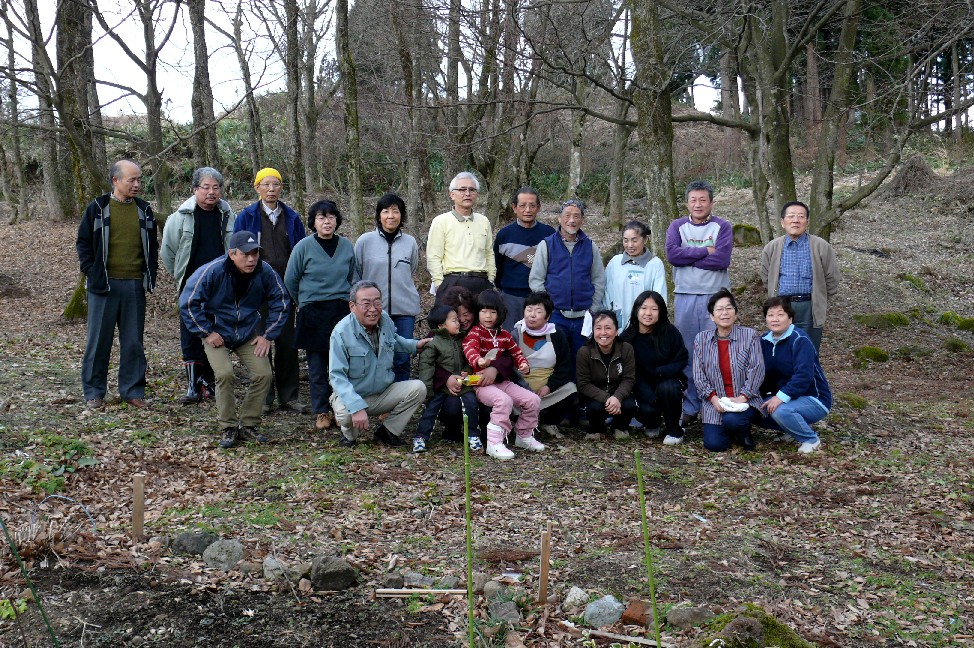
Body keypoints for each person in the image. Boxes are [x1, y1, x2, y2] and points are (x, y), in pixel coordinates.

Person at [179, 231, 290, 449]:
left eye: (255, 254)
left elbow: (282, 301)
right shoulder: (212, 271)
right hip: (217, 333)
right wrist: (207, 332)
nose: (251, 259)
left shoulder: (265, 271)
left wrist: (268, 336)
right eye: (245, 254)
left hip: (247, 332)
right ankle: (228, 426)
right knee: (224, 374)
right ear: (232, 254)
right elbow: (188, 302)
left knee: (263, 374)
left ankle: (249, 424)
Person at [76, 159, 158, 410]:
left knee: (133, 342)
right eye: (131, 180)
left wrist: (149, 275)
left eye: (139, 179)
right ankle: (94, 393)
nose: (137, 184)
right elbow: (83, 243)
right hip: (104, 286)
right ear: (115, 181)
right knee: (98, 341)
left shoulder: (144, 210)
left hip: (134, 285)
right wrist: (92, 272)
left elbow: (151, 246)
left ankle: (132, 391)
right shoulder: (98, 208)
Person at [233, 167, 307, 414]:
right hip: (256, 287)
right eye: (266, 185)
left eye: (276, 185)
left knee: (287, 342)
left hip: (285, 288)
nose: (271, 189)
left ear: (281, 188)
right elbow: (237, 251)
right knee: (259, 341)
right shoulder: (247, 216)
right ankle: (264, 397)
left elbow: (301, 251)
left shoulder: (293, 217)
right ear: (257, 188)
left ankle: (289, 395)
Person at [161, 166, 235, 404]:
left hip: (221, 285)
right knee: (191, 332)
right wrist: (182, 277)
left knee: (216, 331)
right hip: (191, 286)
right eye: (206, 187)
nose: (211, 192)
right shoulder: (179, 217)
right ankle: (194, 385)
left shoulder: (228, 215)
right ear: (195, 190)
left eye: (216, 188)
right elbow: (168, 252)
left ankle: (210, 382)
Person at [665, 180, 734, 426]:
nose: (698, 204)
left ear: (711, 203)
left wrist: (689, 257)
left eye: (703, 200)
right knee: (688, 351)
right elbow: (673, 256)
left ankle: (714, 406)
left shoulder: (722, 226)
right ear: (687, 203)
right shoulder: (677, 226)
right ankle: (690, 405)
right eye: (693, 200)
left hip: (714, 299)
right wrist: (706, 251)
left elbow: (722, 259)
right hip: (685, 296)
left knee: (714, 352)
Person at [328, 281, 428, 448]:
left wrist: (415, 346)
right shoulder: (341, 332)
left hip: (382, 392)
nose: (373, 309)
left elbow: (394, 341)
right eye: (366, 304)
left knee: (418, 388)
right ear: (352, 306)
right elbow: (336, 376)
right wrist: (355, 406)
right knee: (346, 414)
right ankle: (348, 436)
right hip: (354, 394)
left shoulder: (385, 320)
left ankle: (387, 432)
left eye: (377, 302)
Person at [284, 200, 355, 432]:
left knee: (342, 364)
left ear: (337, 220)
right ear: (313, 222)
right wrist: (304, 302)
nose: (327, 221)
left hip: (341, 310)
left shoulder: (346, 246)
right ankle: (321, 411)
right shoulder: (303, 247)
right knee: (316, 365)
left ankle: (340, 408)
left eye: (331, 217)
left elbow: (354, 277)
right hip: (313, 311)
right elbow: (291, 280)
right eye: (321, 217)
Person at [462, 290, 544, 460]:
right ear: (478, 313)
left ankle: (524, 435)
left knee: (533, 400)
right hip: (481, 383)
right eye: (483, 311)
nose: (488, 316)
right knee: (503, 401)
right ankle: (494, 443)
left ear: (500, 314)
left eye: (492, 312)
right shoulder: (476, 332)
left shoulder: (505, 335)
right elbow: (469, 348)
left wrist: (523, 364)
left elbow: (516, 353)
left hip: (502, 382)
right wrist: (478, 360)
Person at [529, 199, 606, 377]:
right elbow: (536, 280)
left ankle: (579, 400)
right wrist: (548, 308)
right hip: (556, 315)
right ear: (559, 218)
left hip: (583, 317)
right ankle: (557, 399)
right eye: (567, 215)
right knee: (556, 359)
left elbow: (598, 279)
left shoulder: (590, 246)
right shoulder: (546, 245)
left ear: (582, 220)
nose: (572, 220)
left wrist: (592, 309)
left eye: (576, 216)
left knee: (582, 362)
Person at [353, 193, 421, 381]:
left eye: (395, 211)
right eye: (385, 211)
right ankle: (378, 401)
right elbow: (357, 273)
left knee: (401, 357)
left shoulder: (410, 242)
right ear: (379, 215)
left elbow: (411, 269)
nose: (390, 216)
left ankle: (402, 403)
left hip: (403, 309)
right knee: (373, 356)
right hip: (372, 310)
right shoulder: (364, 241)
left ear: (401, 215)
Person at [759, 200, 841, 352]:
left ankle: (808, 376)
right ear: (782, 222)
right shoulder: (772, 247)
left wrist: (820, 297)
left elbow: (832, 277)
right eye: (791, 216)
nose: (795, 220)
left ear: (807, 222)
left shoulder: (820, 246)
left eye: (800, 216)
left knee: (808, 352)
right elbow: (765, 276)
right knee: (781, 352)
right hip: (781, 306)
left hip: (809, 306)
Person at [692, 289, 764, 452]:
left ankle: (742, 432)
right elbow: (698, 375)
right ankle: (730, 431)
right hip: (715, 401)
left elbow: (757, 369)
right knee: (715, 445)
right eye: (719, 309)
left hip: (744, 398)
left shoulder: (749, 335)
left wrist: (743, 396)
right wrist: (713, 398)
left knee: (733, 420)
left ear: (735, 313)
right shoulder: (701, 339)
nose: (724, 313)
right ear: (712, 316)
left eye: (729, 308)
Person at [758, 297, 832, 453]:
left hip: (813, 398)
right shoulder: (763, 341)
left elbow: (803, 376)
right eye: (770, 315)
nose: (775, 319)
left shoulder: (800, 340)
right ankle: (791, 429)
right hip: (785, 397)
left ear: (790, 318)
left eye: (780, 314)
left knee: (780, 411)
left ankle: (811, 439)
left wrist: (779, 398)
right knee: (753, 410)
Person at [620, 291, 688, 444]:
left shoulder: (670, 332)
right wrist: (648, 394)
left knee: (668, 388)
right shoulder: (627, 338)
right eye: (644, 308)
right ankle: (653, 423)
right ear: (636, 310)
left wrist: (662, 372)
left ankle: (674, 430)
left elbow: (681, 358)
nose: (648, 313)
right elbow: (628, 372)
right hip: (640, 388)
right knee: (648, 411)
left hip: (667, 381)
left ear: (661, 311)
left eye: (654, 309)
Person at [414, 305, 484, 454]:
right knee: (431, 409)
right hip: (441, 386)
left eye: (457, 320)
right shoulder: (433, 343)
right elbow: (426, 365)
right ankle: (421, 437)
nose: (458, 323)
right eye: (454, 320)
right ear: (441, 325)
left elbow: (467, 359)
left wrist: (467, 370)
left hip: (463, 383)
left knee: (471, 404)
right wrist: (428, 389)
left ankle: (473, 435)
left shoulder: (462, 339)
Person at [511, 291, 577, 436]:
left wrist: (549, 386)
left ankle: (548, 422)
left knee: (571, 389)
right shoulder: (515, 334)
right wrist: (525, 389)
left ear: (547, 316)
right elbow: (510, 368)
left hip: (546, 390)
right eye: (529, 310)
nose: (532, 315)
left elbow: (564, 367)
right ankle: (518, 423)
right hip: (521, 389)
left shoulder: (557, 335)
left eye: (538, 311)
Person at [427, 172, 495, 302]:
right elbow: (433, 256)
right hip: (452, 282)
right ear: (452, 194)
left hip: (481, 283)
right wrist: (439, 284)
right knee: (452, 322)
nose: (467, 193)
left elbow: (489, 253)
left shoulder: (483, 221)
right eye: (462, 189)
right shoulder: (441, 221)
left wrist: (490, 280)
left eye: (472, 190)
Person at [493, 187, 555, 331]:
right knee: (510, 339)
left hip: (541, 298)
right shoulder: (504, 235)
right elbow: (498, 267)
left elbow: (554, 267)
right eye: (522, 205)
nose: (528, 210)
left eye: (532, 205)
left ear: (538, 207)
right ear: (514, 207)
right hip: (511, 297)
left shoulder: (549, 234)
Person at [576, 310, 637, 439]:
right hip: (595, 396)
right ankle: (596, 429)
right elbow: (583, 384)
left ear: (616, 331)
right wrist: (607, 399)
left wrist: (617, 397)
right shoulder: (585, 352)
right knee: (594, 408)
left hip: (619, 393)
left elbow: (629, 379)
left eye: (608, 328)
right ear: (593, 331)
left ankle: (620, 427)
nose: (603, 333)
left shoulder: (626, 349)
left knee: (630, 406)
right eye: (598, 328)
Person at [604, 220, 667, 331]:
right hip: (619, 323)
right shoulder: (615, 262)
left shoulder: (655, 264)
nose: (630, 245)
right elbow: (606, 295)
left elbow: (659, 298)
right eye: (625, 240)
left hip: (645, 325)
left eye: (634, 240)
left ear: (645, 240)